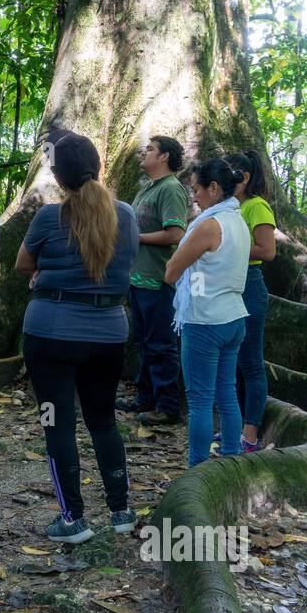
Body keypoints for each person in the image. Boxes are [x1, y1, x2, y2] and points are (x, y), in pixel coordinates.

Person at [15, 132, 141, 542]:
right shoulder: (126, 215)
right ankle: (121, 510)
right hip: (107, 335)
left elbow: (22, 263)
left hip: (50, 334)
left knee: (58, 424)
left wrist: (45, 272)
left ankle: (72, 518)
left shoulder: (49, 217)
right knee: (104, 421)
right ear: (98, 166)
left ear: (58, 176)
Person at [165, 158, 250, 468]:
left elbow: (172, 270)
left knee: (200, 401)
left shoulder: (209, 225)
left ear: (214, 189)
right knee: (226, 393)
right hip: (233, 318)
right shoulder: (237, 221)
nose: (194, 197)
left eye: (196, 190)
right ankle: (231, 461)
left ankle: (197, 470)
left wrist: (173, 271)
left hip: (204, 320)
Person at [120, 135, 189, 425]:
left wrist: (135, 238)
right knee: (144, 342)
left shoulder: (171, 189)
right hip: (138, 279)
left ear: (164, 157)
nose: (144, 153)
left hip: (158, 280)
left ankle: (168, 406)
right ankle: (145, 397)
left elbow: (175, 233)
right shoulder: (148, 188)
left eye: (151, 150)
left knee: (161, 344)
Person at [224, 150, 276, 452]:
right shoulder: (233, 207)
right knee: (235, 362)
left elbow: (267, 251)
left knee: (252, 363)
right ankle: (237, 428)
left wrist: (226, 249)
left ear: (244, 177)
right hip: (230, 286)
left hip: (250, 287)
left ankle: (251, 435)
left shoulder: (257, 206)